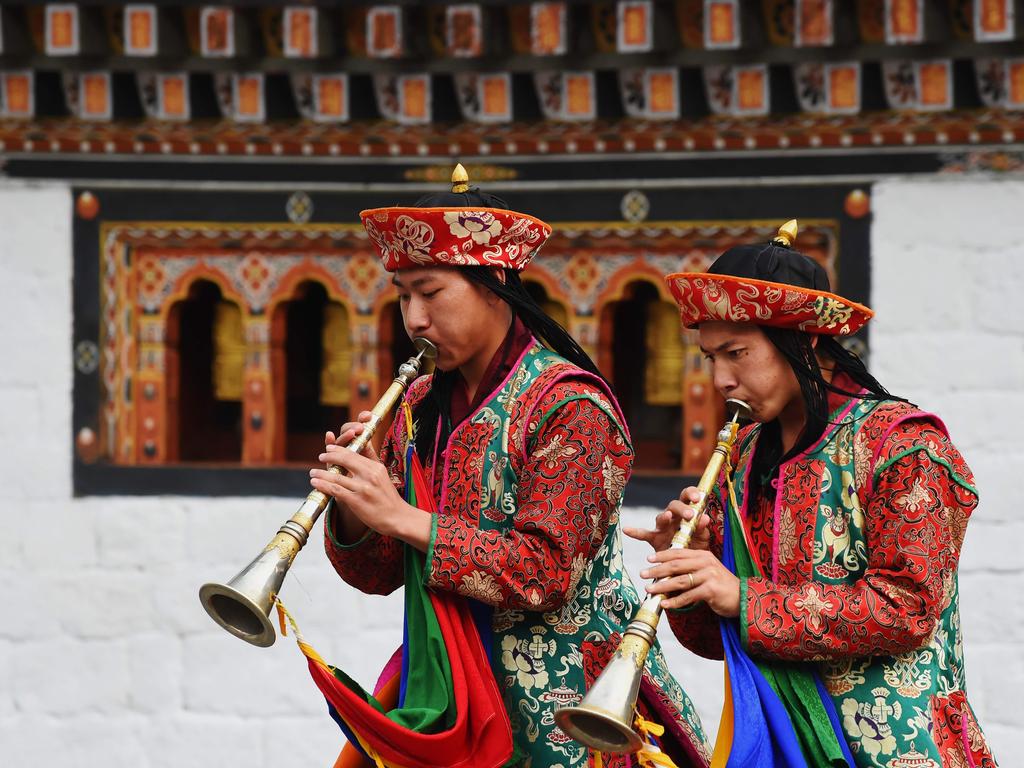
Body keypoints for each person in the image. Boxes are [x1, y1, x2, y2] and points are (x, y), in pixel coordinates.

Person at [310, 167, 711, 768]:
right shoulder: (420, 406)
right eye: (403, 295)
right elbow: (378, 574)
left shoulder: (570, 406)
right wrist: (356, 505)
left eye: (431, 291)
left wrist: (405, 517)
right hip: (449, 695)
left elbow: (545, 572)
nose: (414, 318)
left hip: (573, 706)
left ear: (494, 283)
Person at [625, 221, 997, 767]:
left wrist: (744, 597)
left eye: (737, 353)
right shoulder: (745, 454)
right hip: (777, 740)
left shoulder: (903, 444)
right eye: (710, 358)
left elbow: (910, 608)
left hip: (895, 747)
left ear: (801, 343)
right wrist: (694, 567)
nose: (721, 380)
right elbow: (721, 641)